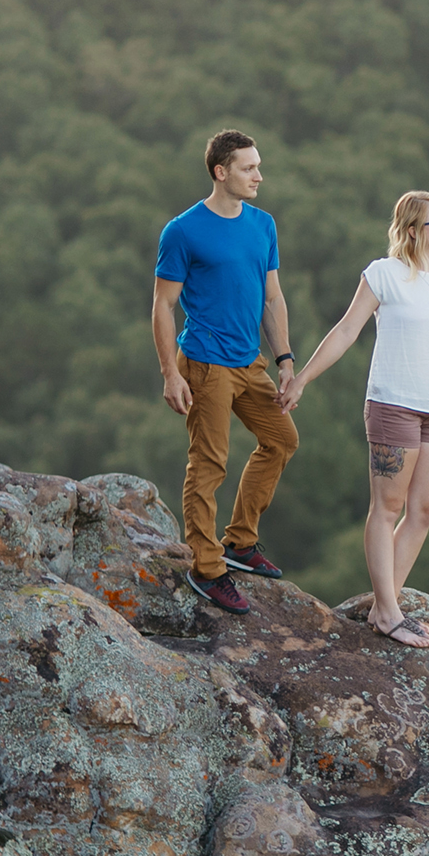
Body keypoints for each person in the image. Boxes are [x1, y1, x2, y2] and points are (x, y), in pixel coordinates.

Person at [283, 190, 429, 648]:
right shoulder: (385, 274)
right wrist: (304, 379)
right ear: (413, 230)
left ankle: (381, 604)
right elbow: (346, 329)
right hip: (394, 405)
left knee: (425, 509)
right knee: (388, 507)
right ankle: (389, 611)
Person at [151, 129, 300, 616]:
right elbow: (163, 305)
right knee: (209, 465)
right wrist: (171, 374)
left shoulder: (263, 225)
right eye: (248, 167)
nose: (259, 175)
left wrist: (285, 361)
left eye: (258, 166)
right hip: (205, 363)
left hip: (250, 362)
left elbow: (272, 297)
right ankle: (207, 566)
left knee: (281, 440)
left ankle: (239, 543)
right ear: (221, 172)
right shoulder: (183, 230)